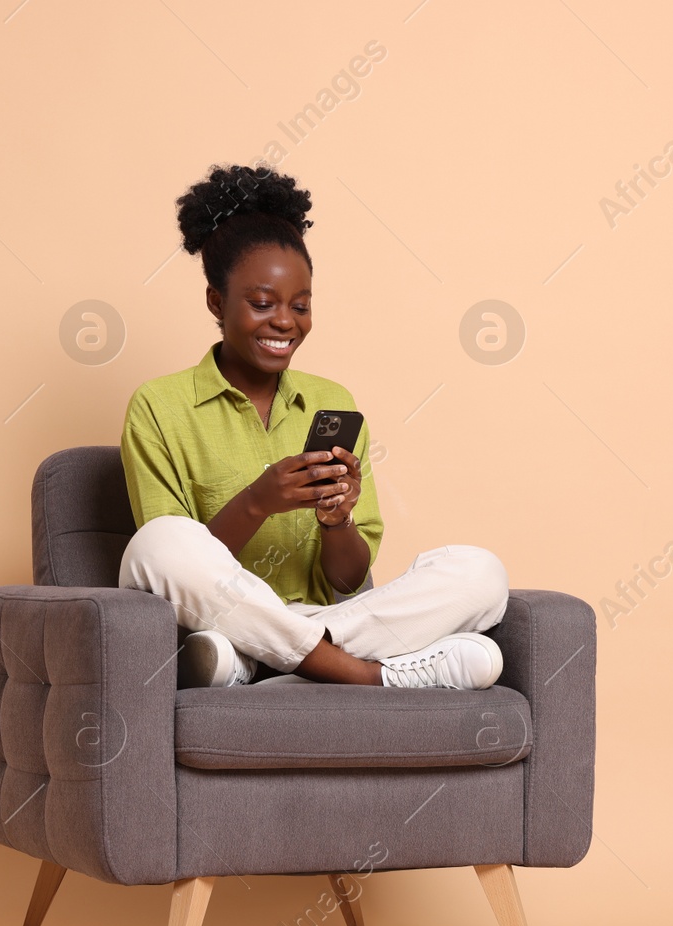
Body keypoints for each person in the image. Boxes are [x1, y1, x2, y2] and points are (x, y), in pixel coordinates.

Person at [118, 164, 509, 689]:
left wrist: (337, 521)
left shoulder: (332, 402)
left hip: (265, 631)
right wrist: (258, 501)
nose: (285, 322)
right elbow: (175, 571)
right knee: (157, 543)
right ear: (216, 301)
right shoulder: (158, 406)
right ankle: (367, 675)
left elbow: (348, 581)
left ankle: (257, 662)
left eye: (300, 306)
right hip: (212, 617)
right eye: (262, 304)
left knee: (482, 574)